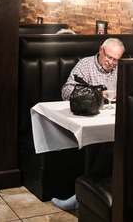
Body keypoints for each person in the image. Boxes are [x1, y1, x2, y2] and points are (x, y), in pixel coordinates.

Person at [52, 38, 126, 211]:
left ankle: (82, 195)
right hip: (87, 119)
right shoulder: (85, 65)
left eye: (116, 60)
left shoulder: (120, 69)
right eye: (109, 57)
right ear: (101, 50)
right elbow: (66, 91)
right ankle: (83, 194)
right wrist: (96, 94)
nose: (111, 63)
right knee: (107, 144)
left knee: (119, 142)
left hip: (112, 118)